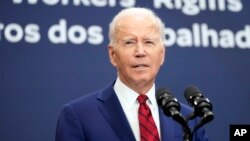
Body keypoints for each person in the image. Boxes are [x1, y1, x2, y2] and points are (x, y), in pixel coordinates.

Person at [55, 7, 208, 141]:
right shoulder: (79, 115)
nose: (140, 52)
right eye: (129, 42)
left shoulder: (188, 119)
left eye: (148, 42)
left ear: (162, 54)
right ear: (113, 54)